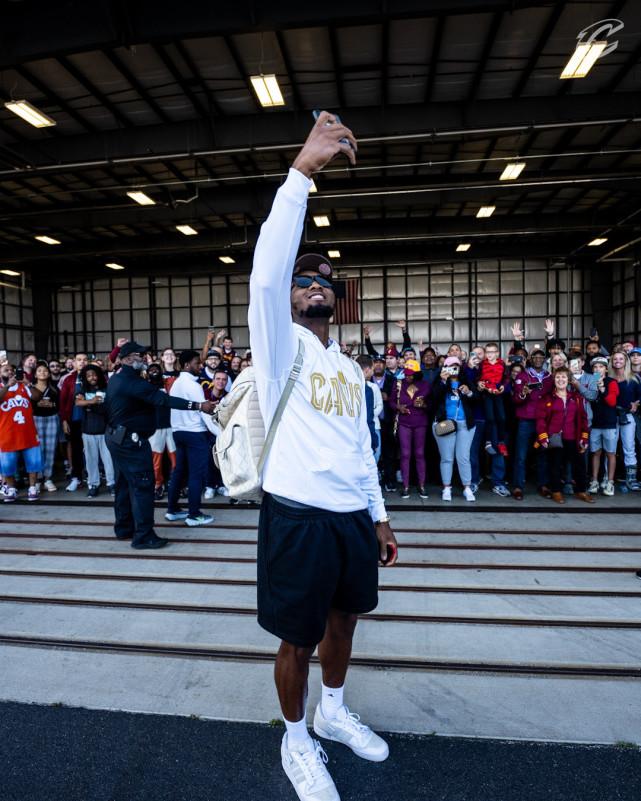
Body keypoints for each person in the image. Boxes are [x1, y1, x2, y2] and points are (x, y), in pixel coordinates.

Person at [248, 112, 397, 801]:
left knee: (345, 622)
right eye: (305, 277)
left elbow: (362, 448)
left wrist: (379, 515)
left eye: (326, 280)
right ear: (289, 296)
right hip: (298, 517)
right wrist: (301, 175)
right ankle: (295, 737)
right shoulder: (281, 348)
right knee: (296, 639)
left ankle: (331, 713)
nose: (316, 283)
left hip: (349, 519)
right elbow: (265, 275)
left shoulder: (346, 368)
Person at [104, 342, 214, 549]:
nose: (145, 358)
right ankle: (144, 536)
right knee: (143, 486)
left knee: (124, 484)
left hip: (117, 437)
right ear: (127, 359)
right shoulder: (132, 382)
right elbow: (164, 400)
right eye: (140, 355)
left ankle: (124, 527)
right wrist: (199, 405)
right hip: (130, 442)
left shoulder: (118, 378)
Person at [166, 350, 217, 527]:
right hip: (195, 434)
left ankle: (172, 510)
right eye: (197, 363)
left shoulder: (176, 384)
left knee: (179, 472)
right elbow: (204, 412)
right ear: (187, 365)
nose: (200, 366)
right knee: (196, 475)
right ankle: (194, 515)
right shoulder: (194, 386)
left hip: (178, 433)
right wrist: (219, 432)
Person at [536, 367, 592, 504]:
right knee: (555, 465)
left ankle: (581, 491)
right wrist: (543, 436)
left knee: (580, 465)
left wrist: (584, 438)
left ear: (568, 380)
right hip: (555, 438)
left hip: (573, 437)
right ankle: (556, 492)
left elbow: (583, 419)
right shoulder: (547, 398)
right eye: (558, 377)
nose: (560, 380)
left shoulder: (576, 398)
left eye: (564, 377)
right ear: (554, 380)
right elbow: (540, 419)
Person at [431, 356, 477, 501]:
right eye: (450, 366)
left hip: (465, 424)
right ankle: (446, 487)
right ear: (444, 367)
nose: (453, 369)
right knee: (447, 458)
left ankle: (467, 488)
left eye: (456, 366)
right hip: (446, 424)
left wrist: (468, 392)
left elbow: (477, 399)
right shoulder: (440, 381)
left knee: (463, 457)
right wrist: (442, 381)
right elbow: (433, 399)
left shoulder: (466, 381)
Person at [511, 348, 552, 500]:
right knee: (521, 454)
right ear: (530, 359)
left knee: (543, 453)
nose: (538, 359)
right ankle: (518, 486)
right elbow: (516, 399)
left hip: (543, 420)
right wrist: (524, 393)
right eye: (535, 357)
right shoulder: (523, 375)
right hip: (526, 420)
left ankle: (543, 485)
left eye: (541, 357)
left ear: (545, 360)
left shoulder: (549, 377)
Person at [388, 358, 431, 499]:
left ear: (417, 373)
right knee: (405, 454)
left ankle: (421, 485)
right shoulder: (398, 383)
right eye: (406, 373)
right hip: (404, 422)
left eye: (411, 374)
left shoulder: (425, 385)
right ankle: (405, 486)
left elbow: (432, 404)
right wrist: (398, 407)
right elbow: (391, 401)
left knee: (419, 454)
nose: (408, 376)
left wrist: (424, 405)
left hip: (420, 422)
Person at [0, 362, 43, 502]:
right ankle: (11, 488)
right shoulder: (2, 388)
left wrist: (28, 383)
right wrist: (7, 386)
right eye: (6, 370)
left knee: (33, 462)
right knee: (7, 465)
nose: (10, 372)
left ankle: (32, 487)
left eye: (11, 370)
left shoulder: (24, 386)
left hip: (28, 432)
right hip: (7, 433)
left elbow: (38, 397)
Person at [74, 364, 114, 498]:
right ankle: (93, 485)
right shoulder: (82, 389)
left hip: (105, 430)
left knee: (109, 459)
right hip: (88, 430)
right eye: (89, 375)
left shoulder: (106, 388)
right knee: (91, 460)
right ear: (85, 377)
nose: (92, 377)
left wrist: (91, 403)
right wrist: (92, 401)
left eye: (94, 374)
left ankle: (112, 484)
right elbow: (78, 402)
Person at [609, 351, 641, 491]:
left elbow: (639, 396)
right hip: (610, 416)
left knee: (629, 447)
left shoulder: (634, 378)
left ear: (626, 361)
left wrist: (636, 404)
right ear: (611, 361)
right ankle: (607, 478)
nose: (618, 361)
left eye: (621, 359)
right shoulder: (607, 377)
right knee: (610, 449)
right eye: (615, 359)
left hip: (627, 416)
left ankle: (631, 478)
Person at [587, 357, 619, 496]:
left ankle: (610, 482)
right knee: (596, 453)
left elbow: (612, 402)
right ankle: (594, 480)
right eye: (595, 367)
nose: (598, 369)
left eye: (601, 366)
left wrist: (602, 388)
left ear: (606, 369)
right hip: (595, 424)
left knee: (610, 453)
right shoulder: (591, 381)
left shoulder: (612, 382)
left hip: (609, 424)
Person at [58, 352, 89, 491]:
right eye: (79, 360)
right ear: (74, 363)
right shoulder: (69, 379)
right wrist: (64, 420)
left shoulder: (94, 376)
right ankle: (76, 478)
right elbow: (63, 401)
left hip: (91, 421)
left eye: (85, 360)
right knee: (76, 450)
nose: (82, 362)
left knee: (92, 451)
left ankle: (94, 478)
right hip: (74, 420)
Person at [146, 363, 176, 500]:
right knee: (156, 461)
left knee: (175, 458)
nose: (154, 372)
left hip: (171, 426)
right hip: (155, 428)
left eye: (156, 369)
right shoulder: (145, 386)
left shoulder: (168, 383)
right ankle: (158, 485)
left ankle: (177, 483)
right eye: (151, 370)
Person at [31, 361, 60, 492]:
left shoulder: (54, 388)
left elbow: (59, 404)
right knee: (37, 449)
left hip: (52, 418)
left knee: (50, 449)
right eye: (39, 371)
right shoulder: (30, 388)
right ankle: (37, 479)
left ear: (49, 374)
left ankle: (48, 478)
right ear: (35, 375)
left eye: (45, 371)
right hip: (35, 419)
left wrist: (52, 405)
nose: (42, 372)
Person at [478, 342, 508, 457]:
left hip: (498, 393)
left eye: (492, 352)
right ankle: (488, 442)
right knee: (490, 418)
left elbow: (506, 378)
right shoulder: (482, 364)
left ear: (497, 353)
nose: (489, 354)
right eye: (487, 352)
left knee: (502, 417)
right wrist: (484, 386)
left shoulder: (502, 364)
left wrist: (503, 386)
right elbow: (478, 379)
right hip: (487, 393)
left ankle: (501, 442)